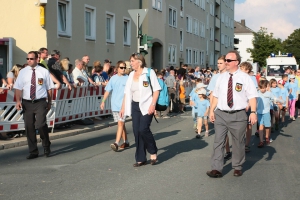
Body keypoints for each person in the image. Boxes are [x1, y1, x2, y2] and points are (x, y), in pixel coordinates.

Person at [207, 50, 258, 178]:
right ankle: (216, 168)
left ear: (237, 62)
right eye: (225, 60)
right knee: (218, 141)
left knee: (238, 142)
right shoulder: (221, 78)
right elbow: (216, 95)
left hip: (238, 114)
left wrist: (253, 112)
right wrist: (211, 110)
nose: (226, 62)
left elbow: (252, 96)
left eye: (229, 60)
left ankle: (237, 166)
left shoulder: (245, 78)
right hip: (221, 114)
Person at [120, 53, 161, 167]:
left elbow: (156, 90)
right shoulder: (131, 74)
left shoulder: (149, 72)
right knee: (137, 131)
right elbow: (127, 93)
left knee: (143, 129)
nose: (131, 63)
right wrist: (123, 107)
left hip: (147, 105)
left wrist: (153, 105)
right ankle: (141, 158)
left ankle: (153, 151)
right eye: (130, 61)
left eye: (132, 61)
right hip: (135, 106)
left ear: (140, 62)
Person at [14, 51, 55, 159]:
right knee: (29, 126)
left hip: (40, 102)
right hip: (27, 102)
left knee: (41, 125)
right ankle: (33, 151)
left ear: (37, 59)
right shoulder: (23, 72)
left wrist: (49, 102)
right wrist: (18, 101)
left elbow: (49, 88)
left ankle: (46, 145)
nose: (29, 61)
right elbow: (18, 88)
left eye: (31, 59)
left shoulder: (44, 71)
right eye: (27, 59)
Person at [101, 61, 129, 151]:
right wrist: (103, 101)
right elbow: (107, 91)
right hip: (115, 105)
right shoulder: (113, 78)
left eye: (124, 67)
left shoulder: (128, 78)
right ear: (117, 69)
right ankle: (126, 141)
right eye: (121, 67)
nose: (123, 69)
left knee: (120, 123)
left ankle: (116, 143)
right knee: (121, 124)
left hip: (124, 106)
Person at [207, 55, 232, 159]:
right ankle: (223, 153)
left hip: (231, 109)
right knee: (220, 133)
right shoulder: (216, 77)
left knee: (235, 134)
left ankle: (233, 150)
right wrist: (211, 110)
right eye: (218, 63)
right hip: (218, 109)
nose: (218, 65)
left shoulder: (231, 75)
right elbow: (212, 94)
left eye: (220, 63)